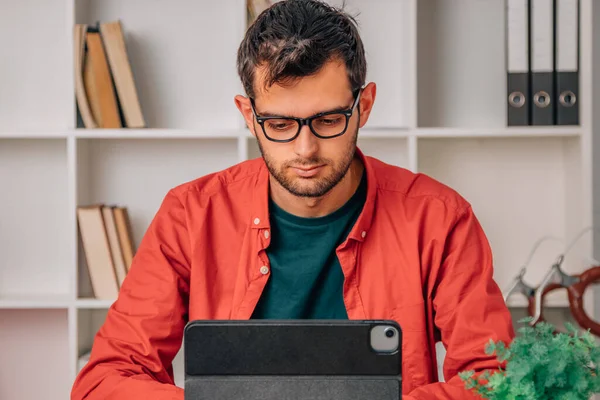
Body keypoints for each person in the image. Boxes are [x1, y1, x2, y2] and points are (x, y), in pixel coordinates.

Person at [71, 0, 515, 398]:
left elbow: (494, 377)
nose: (305, 150)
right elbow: (104, 380)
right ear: (249, 116)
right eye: (280, 125)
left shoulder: (438, 218)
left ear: (364, 105)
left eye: (327, 120)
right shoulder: (191, 213)